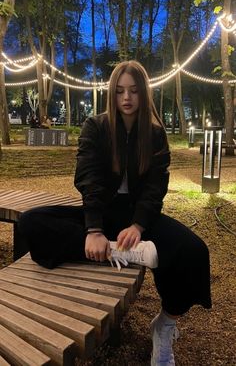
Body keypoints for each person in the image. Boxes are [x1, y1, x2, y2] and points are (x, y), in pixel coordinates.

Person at [18, 60, 211, 365]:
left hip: (138, 219)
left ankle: (164, 326)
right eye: (120, 90)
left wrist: (137, 225)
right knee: (30, 223)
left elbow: (155, 187)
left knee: (194, 251)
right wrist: (94, 230)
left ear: (143, 93)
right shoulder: (96, 127)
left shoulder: (155, 134)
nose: (126, 97)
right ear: (112, 93)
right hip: (103, 215)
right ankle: (121, 252)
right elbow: (88, 178)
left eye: (134, 90)